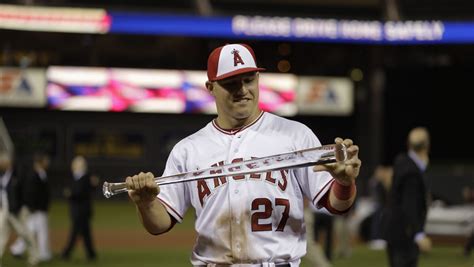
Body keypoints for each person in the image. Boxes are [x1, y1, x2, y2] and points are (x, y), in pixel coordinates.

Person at [125, 43, 361, 266]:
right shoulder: (189, 149)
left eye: (248, 80)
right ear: (210, 87)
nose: (242, 90)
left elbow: (337, 205)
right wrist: (146, 204)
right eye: (231, 83)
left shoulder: (295, 135)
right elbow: (160, 223)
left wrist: (344, 182)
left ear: (258, 79)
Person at [384, 127, 432, 267]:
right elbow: (409, 204)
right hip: (405, 234)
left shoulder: (401, 161)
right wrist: (419, 235)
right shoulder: (412, 171)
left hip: (394, 231)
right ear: (427, 145)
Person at [10, 152, 52, 262]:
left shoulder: (42, 173)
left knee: (32, 230)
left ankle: (17, 249)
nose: (48, 162)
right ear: (40, 162)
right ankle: (42, 253)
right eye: (45, 160)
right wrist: (32, 206)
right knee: (37, 231)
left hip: (40, 208)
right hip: (35, 208)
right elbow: (30, 192)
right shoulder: (33, 174)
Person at [0, 153, 38, 267]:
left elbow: (25, 193)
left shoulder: (18, 175)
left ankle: (34, 256)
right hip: (4, 210)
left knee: (24, 233)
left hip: (16, 211)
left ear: (8, 163)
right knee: (1, 234)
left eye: (2, 162)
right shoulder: (2, 175)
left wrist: (22, 208)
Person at [61, 155, 99, 261]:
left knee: (76, 233)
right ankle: (91, 254)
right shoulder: (75, 177)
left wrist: (70, 194)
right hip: (77, 210)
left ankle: (66, 253)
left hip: (82, 210)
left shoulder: (85, 177)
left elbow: (81, 192)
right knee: (85, 233)